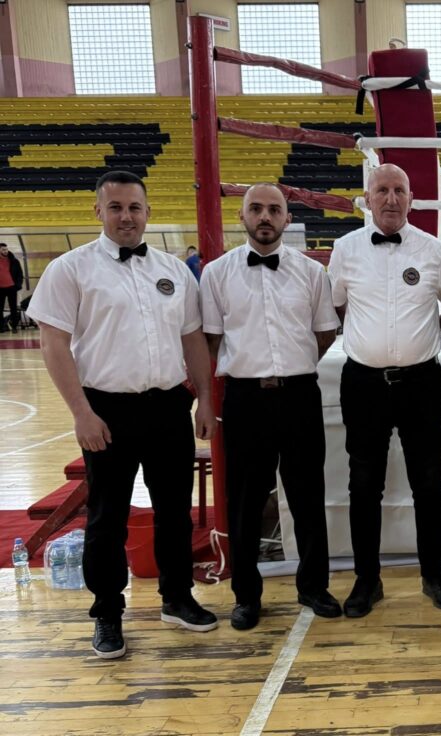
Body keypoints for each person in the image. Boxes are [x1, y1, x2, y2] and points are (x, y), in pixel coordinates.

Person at [27, 170, 217, 659]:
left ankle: (177, 598)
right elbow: (54, 344)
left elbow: (192, 339)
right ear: (98, 211)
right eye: (115, 207)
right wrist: (81, 413)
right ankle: (108, 613)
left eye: (134, 207)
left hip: (169, 405)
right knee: (107, 517)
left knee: (174, 511)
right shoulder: (70, 269)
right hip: (105, 409)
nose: (126, 216)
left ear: (148, 212)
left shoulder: (175, 271)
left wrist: (205, 400)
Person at [200, 183, 342, 630]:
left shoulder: (312, 272)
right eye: (256, 209)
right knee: (244, 502)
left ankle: (314, 586)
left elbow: (324, 334)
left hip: (299, 394)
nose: (265, 216)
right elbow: (210, 341)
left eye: (274, 210)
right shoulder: (216, 274)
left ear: (287, 218)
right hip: (244, 398)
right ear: (242, 216)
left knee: (308, 496)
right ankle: (246, 596)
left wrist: (291, 366)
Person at [328, 163, 441, 617]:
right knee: (364, 484)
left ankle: (435, 575)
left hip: (422, 383)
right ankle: (367, 580)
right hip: (362, 383)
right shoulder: (344, 249)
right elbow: (335, 307)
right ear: (367, 198)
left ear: (411, 199)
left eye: (399, 190)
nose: (390, 198)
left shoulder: (433, 251)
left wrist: (425, 336)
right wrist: (370, 341)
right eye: (381, 190)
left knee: (429, 482)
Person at [0, 242, 24, 332]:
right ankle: (1, 327)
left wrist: (18, 285)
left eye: (6, 249)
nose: (5, 251)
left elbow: (20, 274)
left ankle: (14, 327)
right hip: (0, 289)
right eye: (3, 250)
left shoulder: (14, 261)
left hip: (12, 288)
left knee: (13, 308)